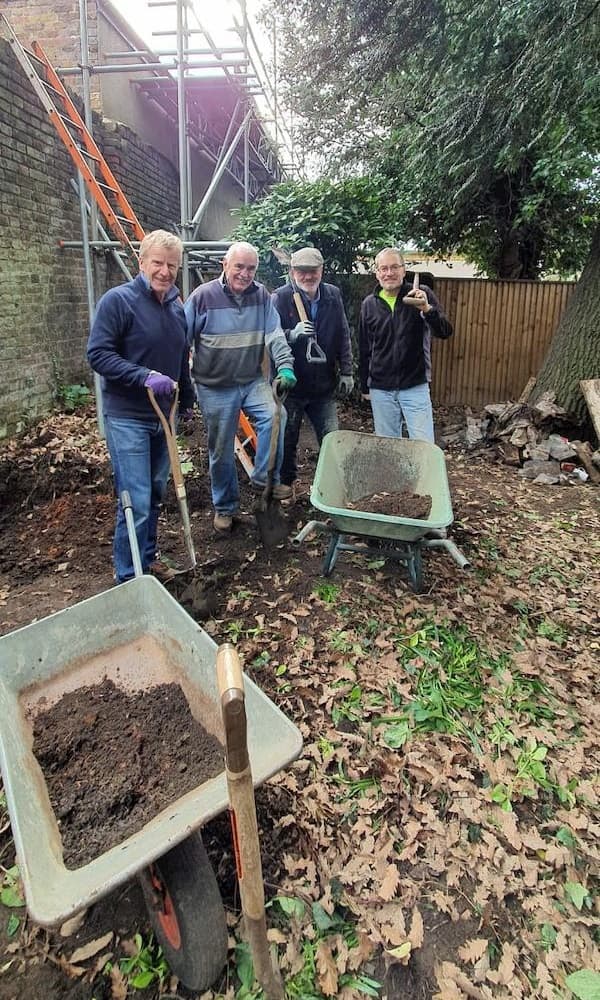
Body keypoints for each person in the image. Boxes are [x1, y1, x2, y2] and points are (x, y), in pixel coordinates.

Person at [87, 229, 196, 583]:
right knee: (135, 500)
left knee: (156, 492)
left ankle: (147, 559)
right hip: (127, 417)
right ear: (142, 262)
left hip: (163, 416)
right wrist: (143, 376)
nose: (165, 271)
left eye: (172, 266)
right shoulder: (118, 302)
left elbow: (180, 359)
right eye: (158, 263)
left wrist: (189, 399)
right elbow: (99, 355)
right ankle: (129, 577)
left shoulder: (177, 309)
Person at [184, 241, 297, 532]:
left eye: (251, 268)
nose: (245, 274)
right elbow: (180, 339)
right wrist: (181, 381)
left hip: (250, 381)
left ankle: (263, 479)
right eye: (239, 267)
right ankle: (225, 507)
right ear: (225, 264)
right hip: (214, 385)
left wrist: (285, 366)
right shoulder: (202, 297)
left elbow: (275, 336)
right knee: (221, 450)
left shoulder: (262, 296)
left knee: (277, 415)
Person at [272, 247, 354, 489]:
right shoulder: (280, 297)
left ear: (322, 271)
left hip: (323, 386)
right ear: (292, 272)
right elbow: (270, 336)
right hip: (292, 386)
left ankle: (331, 486)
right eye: (302, 271)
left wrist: (347, 371)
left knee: (331, 438)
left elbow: (343, 333)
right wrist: (291, 334)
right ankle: (286, 485)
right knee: (287, 439)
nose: (308, 276)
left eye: (313, 271)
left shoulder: (332, 295)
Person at [358, 247, 453, 442]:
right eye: (383, 268)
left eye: (394, 267)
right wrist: (365, 387)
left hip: (414, 385)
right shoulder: (369, 304)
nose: (389, 273)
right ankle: (391, 474)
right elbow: (365, 347)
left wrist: (427, 309)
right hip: (381, 389)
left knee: (423, 445)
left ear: (403, 270)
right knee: (387, 446)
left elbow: (445, 331)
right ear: (377, 273)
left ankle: (422, 474)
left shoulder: (420, 294)